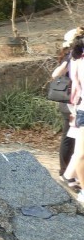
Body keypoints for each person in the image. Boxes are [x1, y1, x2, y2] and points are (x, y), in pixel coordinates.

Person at [53, 28, 79, 183]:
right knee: (69, 138)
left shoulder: (72, 56)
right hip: (71, 102)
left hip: (70, 102)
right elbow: (55, 74)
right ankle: (65, 171)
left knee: (71, 138)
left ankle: (68, 171)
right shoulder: (71, 57)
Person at [64, 33, 84, 206]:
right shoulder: (79, 60)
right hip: (81, 108)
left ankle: (70, 176)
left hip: (79, 107)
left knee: (80, 151)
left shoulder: (76, 59)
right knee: (80, 153)